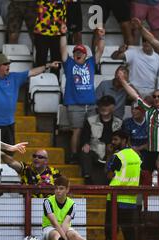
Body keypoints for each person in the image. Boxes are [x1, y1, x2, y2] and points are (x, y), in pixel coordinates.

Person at [61, 24, 105, 163]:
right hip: (75, 105)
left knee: (95, 131)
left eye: (81, 52)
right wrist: (63, 35)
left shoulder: (91, 63)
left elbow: (100, 49)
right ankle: (74, 156)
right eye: (76, 52)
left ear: (86, 55)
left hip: (91, 105)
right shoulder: (69, 64)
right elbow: (62, 50)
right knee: (77, 130)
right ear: (73, 55)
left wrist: (101, 37)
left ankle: (93, 154)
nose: (78, 54)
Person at [117, 69, 159, 174]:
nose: (156, 98)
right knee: (148, 178)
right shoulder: (148, 110)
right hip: (151, 152)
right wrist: (123, 82)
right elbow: (135, 96)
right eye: (154, 96)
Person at [105, 130, 142, 240]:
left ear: (124, 140)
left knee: (110, 229)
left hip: (115, 198)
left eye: (116, 139)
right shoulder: (136, 156)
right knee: (129, 229)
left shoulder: (117, 156)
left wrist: (109, 155)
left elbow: (109, 175)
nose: (113, 142)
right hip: (130, 199)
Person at [43, 175, 100, 240]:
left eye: (61, 188)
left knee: (74, 235)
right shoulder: (47, 201)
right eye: (56, 188)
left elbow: (65, 224)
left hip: (64, 227)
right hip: (49, 227)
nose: (58, 191)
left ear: (67, 190)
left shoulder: (72, 204)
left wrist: (65, 239)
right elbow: (55, 224)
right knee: (55, 235)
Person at [111, 18, 159, 98]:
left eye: (148, 41)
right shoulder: (133, 51)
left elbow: (158, 79)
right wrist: (119, 51)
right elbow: (114, 57)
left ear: (153, 42)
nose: (146, 43)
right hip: (132, 90)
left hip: (151, 93)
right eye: (144, 40)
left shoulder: (158, 58)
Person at [80, 95, 123, 185]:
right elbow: (85, 136)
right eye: (101, 105)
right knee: (85, 152)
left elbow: (121, 139)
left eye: (107, 105)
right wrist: (86, 144)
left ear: (113, 107)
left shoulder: (118, 122)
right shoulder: (90, 120)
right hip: (95, 151)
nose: (103, 107)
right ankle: (87, 178)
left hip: (112, 152)